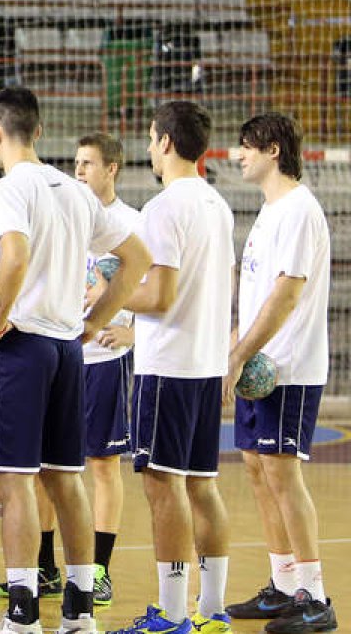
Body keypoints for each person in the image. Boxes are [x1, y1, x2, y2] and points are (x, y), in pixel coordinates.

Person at [0, 87, 150, 634]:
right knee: (66, 478)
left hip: (24, 343)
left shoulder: (9, 189)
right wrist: (96, 320)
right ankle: (79, 609)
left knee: (15, 481)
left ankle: (23, 610)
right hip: (68, 348)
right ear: (40, 130)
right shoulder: (74, 192)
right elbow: (139, 258)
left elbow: (16, 256)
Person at [106, 101, 234, 634]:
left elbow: (158, 296)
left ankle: (173, 613)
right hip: (204, 363)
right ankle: (213, 609)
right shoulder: (218, 204)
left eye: (152, 136)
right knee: (202, 485)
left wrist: (111, 293)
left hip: (170, 366)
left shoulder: (164, 207)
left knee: (164, 488)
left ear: (163, 142)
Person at [223, 113, 337, 633]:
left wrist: (239, 352)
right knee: (256, 466)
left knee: (282, 471)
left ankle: (316, 598)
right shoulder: (270, 210)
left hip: (287, 367)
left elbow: (287, 295)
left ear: (272, 150)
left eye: (245, 146)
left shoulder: (298, 210)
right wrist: (236, 343)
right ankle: (284, 584)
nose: (237, 154)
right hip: (260, 365)